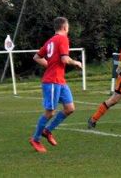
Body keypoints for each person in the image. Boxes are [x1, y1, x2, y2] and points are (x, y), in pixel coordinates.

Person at [29, 17, 83, 153]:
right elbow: (65, 58)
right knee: (50, 112)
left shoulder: (50, 41)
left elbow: (36, 57)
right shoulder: (63, 39)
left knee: (70, 108)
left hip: (60, 80)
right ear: (65, 27)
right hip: (52, 81)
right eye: (68, 27)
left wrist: (49, 65)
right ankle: (35, 139)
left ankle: (47, 131)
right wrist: (76, 63)